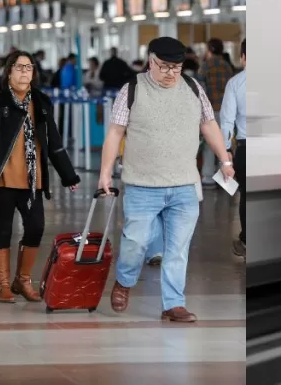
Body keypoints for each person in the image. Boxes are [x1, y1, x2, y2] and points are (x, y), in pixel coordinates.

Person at [99, 37, 235, 323]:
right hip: (141, 185)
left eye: (177, 67)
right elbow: (115, 132)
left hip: (184, 185)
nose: (171, 73)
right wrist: (105, 173)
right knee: (135, 242)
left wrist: (225, 160)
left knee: (177, 250)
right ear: (151, 61)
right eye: (165, 67)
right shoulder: (132, 89)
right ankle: (124, 281)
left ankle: (173, 304)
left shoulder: (193, 88)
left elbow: (209, 124)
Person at [0, 50, 81, 303]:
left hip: (32, 180)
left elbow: (54, 143)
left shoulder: (41, 101)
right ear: (8, 71)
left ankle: (23, 279)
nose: (24, 72)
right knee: (3, 230)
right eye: (19, 67)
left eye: (29, 67)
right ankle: (3, 285)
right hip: (2, 179)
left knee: (36, 227)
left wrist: (68, 176)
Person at [220, 39, 246, 258]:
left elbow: (227, 121)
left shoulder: (236, 83)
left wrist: (226, 149)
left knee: (246, 195)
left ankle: (246, 241)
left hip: (247, 149)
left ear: (243, 57)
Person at [198, 38, 234, 187]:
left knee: (209, 143)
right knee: (224, 143)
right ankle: (224, 178)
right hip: (226, 111)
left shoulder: (206, 66)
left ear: (210, 50)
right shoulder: (227, 66)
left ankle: (207, 177)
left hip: (211, 110)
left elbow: (200, 89)